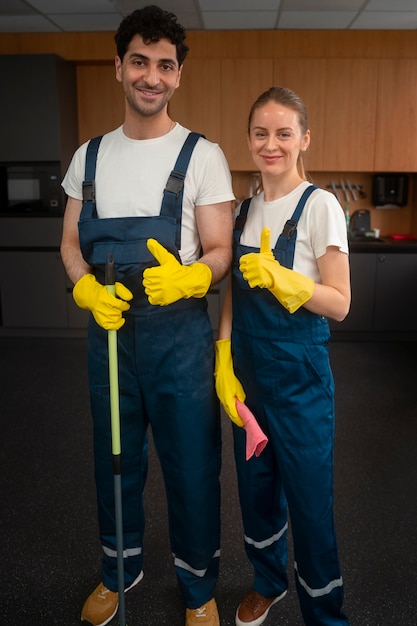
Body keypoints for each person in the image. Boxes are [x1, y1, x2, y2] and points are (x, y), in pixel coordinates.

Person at [60, 6, 234, 626]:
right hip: (109, 335)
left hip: (179, 337)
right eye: (140, 61)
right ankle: (119, 571)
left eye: (164, 65)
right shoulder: (89, 157)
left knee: (191, 466)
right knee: (116, 458)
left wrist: (195, 274)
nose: (151, 76)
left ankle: (198, 588)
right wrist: (83, 288)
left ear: (178, 75)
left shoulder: (203, 155)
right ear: (119, 67)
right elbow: (70, 246)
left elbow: (219, 253)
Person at [214, 86, 351, 626]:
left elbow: (339, 303)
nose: (271, 144)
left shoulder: (320, 207)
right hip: (248, 376)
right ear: (249, 140)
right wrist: (222, 354)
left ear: (303, 140)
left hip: (300, 379)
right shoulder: (245, 209)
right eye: (261, 133)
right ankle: (268, 582)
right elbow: (235, 295)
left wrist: (288, 281)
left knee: (311, 506)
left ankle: (325, 614)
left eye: (283, 133)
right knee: (257, 491)